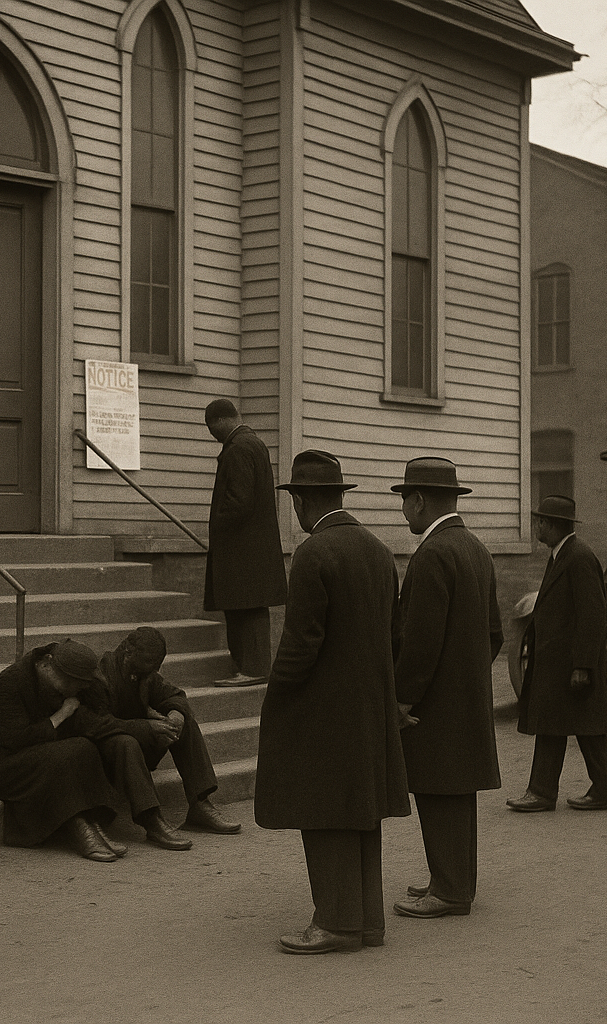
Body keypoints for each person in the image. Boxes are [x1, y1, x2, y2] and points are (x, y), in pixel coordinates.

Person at [253, 450, 410, 954]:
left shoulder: (313, 554)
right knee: (360, 813)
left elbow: (300, 644)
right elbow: (393, 635)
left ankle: (336, 924)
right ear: (339, 495)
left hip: (322, 711)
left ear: (300, 501)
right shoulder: (378, 550)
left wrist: (276, 695)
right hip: (368, 706)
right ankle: (366, 922)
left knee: (323, 815)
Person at [388, 458, 503, 921]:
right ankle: (448, 878)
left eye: (403, 502)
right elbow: (494, 634)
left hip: (435, 702)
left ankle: (452, 891)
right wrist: (467, 675)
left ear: (418, 501)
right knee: (454, 793)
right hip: (463, 696)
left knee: (438, 792)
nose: (402, 513)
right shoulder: (475, 548)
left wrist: (402, 698)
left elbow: (420, 641)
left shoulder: (433, 554)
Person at [0, 639, 192, 863]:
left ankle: (94, 826)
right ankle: (78, 829)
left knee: (84, 747)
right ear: (47, 665)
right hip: (2, 763)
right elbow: (16, 739)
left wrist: (144, 725)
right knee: (67, 753)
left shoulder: (71, 684)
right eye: (73, 683)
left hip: (46, 752)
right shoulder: (10, 683)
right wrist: (60, 716)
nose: (79, 689)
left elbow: (95, 723)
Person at [508, 495, 607, 813]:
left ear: (557, 525)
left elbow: (593, 616)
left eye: (541, 522)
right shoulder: (562, 555)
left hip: (570, 664)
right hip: (557, 662)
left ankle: (583, 792)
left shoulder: (579, 558)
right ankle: (583, 791)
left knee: (583, 726)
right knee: (559, 725)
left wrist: (583, 666)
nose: (537, 527)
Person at [88, 627, 242, 836]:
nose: (155, 669)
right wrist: (146, 727)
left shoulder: (145, 672)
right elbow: (97, 725)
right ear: (128, 651)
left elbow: (175, 695)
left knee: (184, 722)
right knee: (126, 742)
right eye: (150, 662)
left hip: (137, 743)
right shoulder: (101, 673)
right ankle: (151, 819)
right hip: (108, 753)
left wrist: (176, 714)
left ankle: (200, 804)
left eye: (158, 663)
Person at [202, 399, 287, 685]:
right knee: (252, 607)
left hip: (240, 550)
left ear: (221, 421)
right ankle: (254, 667)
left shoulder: (237, 448)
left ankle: (250, 669)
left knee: (243, 608)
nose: (211, 434)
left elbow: (238, 501)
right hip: (255, 549)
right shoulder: (255, 444)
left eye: (210, 427)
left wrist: (218, 527)